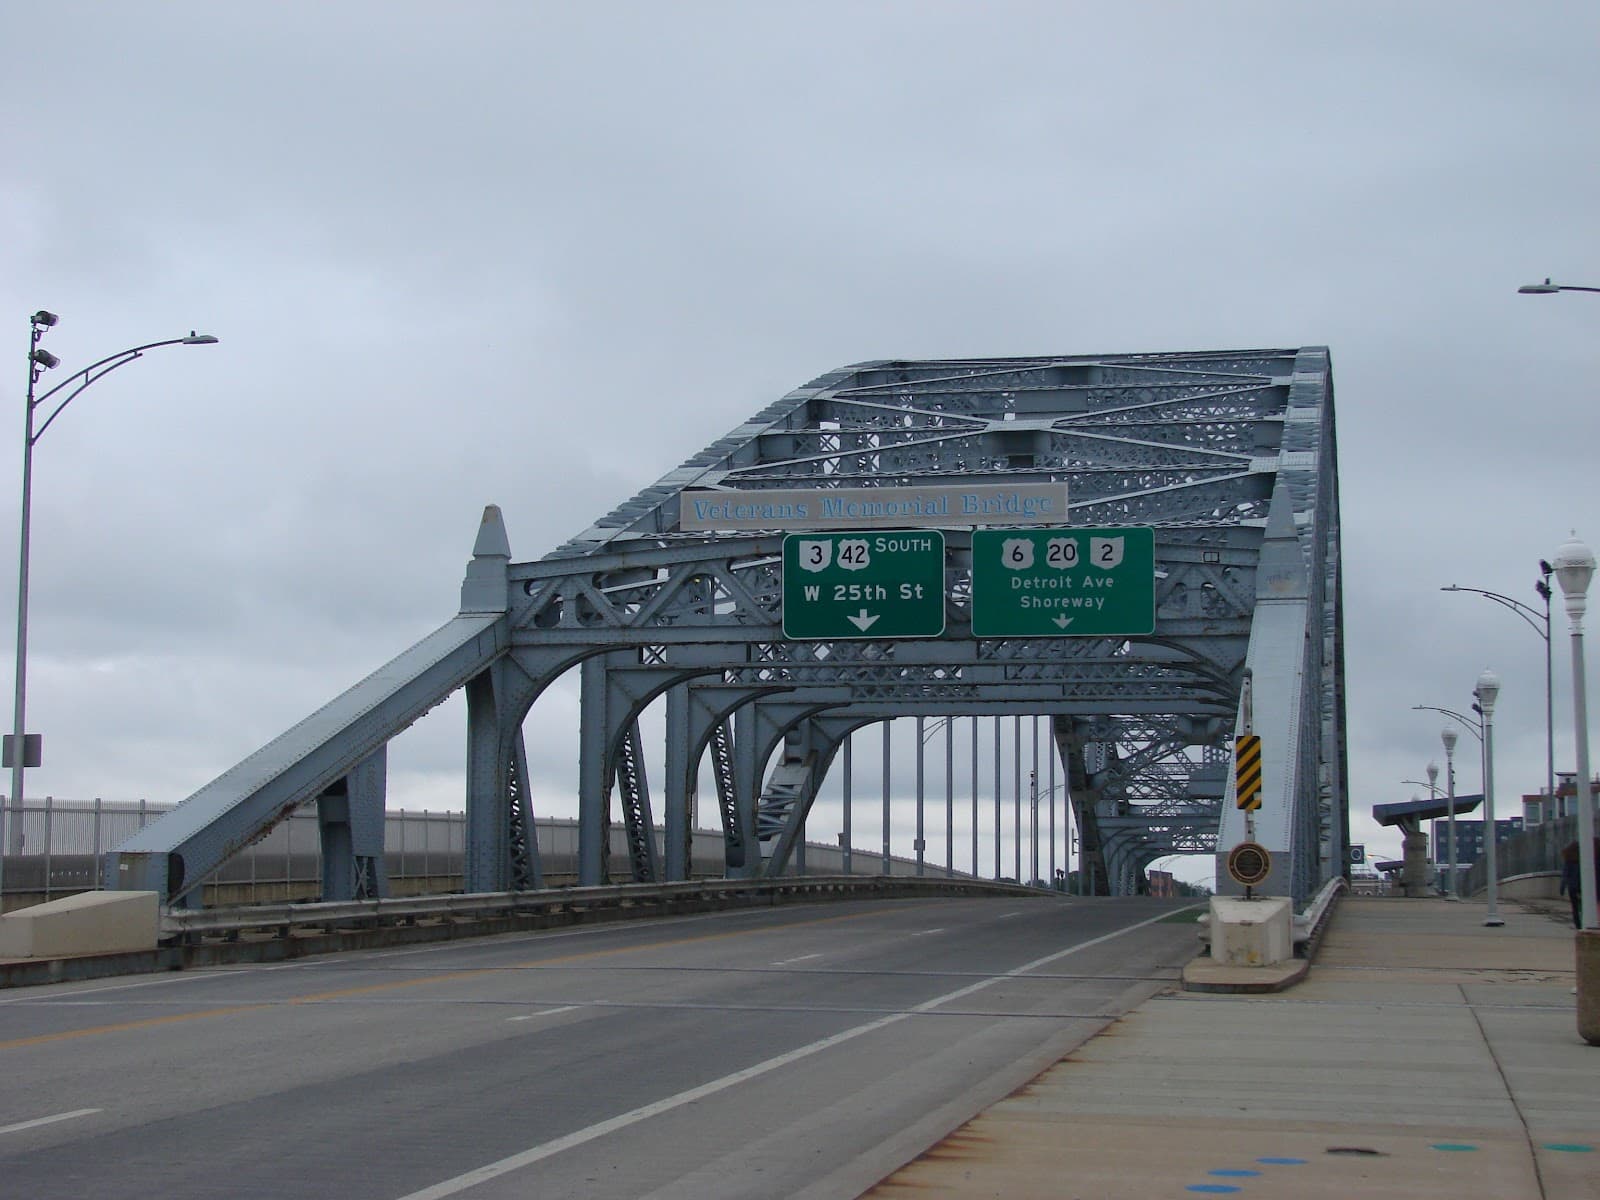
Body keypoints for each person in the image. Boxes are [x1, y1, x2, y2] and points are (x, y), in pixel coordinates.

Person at [1561, 840, 1581, 928]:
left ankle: (1578, 924)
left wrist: (1562, 887)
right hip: (1582, 886)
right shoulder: (1584, 860)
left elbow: (1565, 874)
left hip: (1572, 887)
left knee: (1575, 907)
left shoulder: (1568, 861)